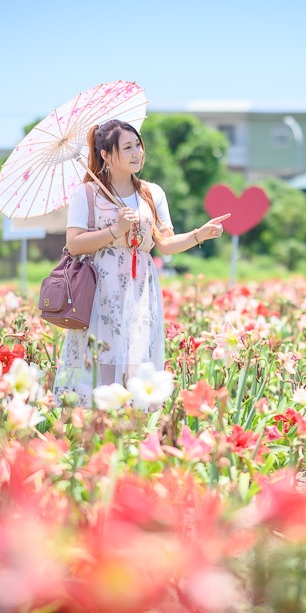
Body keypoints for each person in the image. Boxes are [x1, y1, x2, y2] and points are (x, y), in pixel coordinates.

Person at [52, 119, 229, 406]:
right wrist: (115, 230)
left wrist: (199, 234)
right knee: (103, 359)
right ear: (106, 156)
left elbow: (165, 244)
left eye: (138, 145)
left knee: (137, 359)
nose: (137, 153)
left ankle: (133, 429)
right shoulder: (85, 194)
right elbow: (74, 243)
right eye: (127, 147)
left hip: (140, 287)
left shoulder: (151, 193)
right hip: (99, 287)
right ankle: (99, 426)